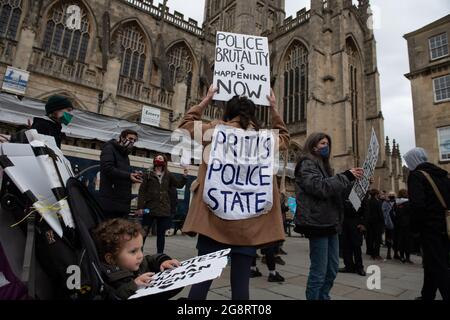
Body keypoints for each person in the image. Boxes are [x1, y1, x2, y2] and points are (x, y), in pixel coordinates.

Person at [178, 86, 290, 300]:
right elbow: (284, 136)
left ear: (228, 112)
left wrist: (206, 99)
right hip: (248, 226)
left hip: (213, 221)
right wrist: (274, 109)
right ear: (253, 114)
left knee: (201, 283)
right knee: (240, 288)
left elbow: (184, 125)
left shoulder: (214, 131)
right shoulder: (265, 139)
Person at [294, 133, 363, 300]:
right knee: (319, 271)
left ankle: (323, 297)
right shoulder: (307, 163)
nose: (326, 146)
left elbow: (331, 192)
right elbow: (318, 187)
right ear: (313, 146)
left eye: (328, 144)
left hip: (330, 222)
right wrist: (346, 176)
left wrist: (353, 188)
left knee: (332, 269)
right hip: (317, 223)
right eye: (323, 143)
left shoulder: (324, 166)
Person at [92, 218, 181, 300]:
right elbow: (115, 296)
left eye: (140, 249)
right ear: (111, 259)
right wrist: (134, 285)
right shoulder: (110, 279)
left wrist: (163, 261)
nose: (140, 255)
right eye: (133, 251)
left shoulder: (136, 262)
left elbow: (150, 259)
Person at [404, 148, 450, 301]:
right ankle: (427, 294)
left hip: (430, 228)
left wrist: (415, 229)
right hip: (446, 226)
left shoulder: (417, 176)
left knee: (438, 265)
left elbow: (417, 206)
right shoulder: (442, 175)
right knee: (432, 262)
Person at [136, 155, 187, 253]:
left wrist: (185, 175)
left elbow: (179, 185)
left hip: (164, 210)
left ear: (164, 162)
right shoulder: (148, 174)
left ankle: (160, 255)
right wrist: (140, 207)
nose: (157, 160)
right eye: (156, 158)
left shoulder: (168, 175)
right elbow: (142, 191)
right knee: (144, 232)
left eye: (160, 158)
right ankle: (139, 253)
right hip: (149, 209)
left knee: (161, 235)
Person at [99, 129, 143, 219]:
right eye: (130, 138)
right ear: (122, 138)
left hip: (123, 202)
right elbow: (108, 168)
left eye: (134, 140)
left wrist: (133, 174)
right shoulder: (109, 149)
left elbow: (122, 173)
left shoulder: (125, 155)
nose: (132, 142)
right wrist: (128, 176)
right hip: (111, 201)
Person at [339, 191, 367, 276]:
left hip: (356, 221)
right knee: (346, 245)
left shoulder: (361, 191)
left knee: (356, 246)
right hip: (345, 222)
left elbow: (366, 209)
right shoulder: (344, 190)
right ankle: (349, 266)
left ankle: (359, 267)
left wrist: (363, 223)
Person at [365, 189, 384, 261]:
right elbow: (380, 213)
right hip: (377, 223)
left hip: (370, 223)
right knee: (377, 239)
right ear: (376, 194)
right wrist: (383, 222)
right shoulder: (378, 202)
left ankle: (372, 254)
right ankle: (377, 254)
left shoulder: (368, 201)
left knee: (371, 239)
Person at [396, 189, 414, 264]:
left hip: (399, 224)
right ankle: (407, 258)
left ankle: (402, 256)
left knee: (401, 240)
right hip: (407, 224)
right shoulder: (408, 203)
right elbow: (412, 213)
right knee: (407, 241)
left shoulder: (397, 203)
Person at [382, 191, 397, 260]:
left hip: (395, 223)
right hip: (388, 223)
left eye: (392, 195)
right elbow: (383, 212)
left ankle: (396, 253)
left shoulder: (397, 203)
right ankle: (389, 252)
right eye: (390, 195)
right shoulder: (385, 203)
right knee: (389, 238)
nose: (391, 196)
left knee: (395, 239)